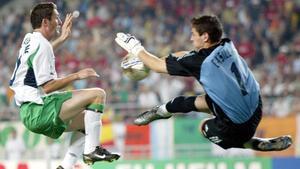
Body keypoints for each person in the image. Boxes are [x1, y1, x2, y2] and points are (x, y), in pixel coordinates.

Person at [115, 15, 292, 151]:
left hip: (237, 125)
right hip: (256, 106)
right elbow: (186, 55)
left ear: (205, 36)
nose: (191, 38)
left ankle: (258, 144)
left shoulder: (200, 62)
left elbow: (156, 66)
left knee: (204, 127)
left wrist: (135, 48)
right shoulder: (226, 45)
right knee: (190, 102)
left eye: (193, 35)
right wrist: (162, 59)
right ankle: (160, 111)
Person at [9, 2, 120, 169]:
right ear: (46, 22)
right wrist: (77, 75)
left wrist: (61, 39)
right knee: (98, 94)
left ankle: (66, 166)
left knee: (86, 120)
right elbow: (47, 87)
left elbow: (40, 54)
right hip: (38, 109)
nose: (59, 22)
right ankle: (91, 150)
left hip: (28, 113)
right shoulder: (42, 45)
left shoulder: (30, 39)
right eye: (56, 17)